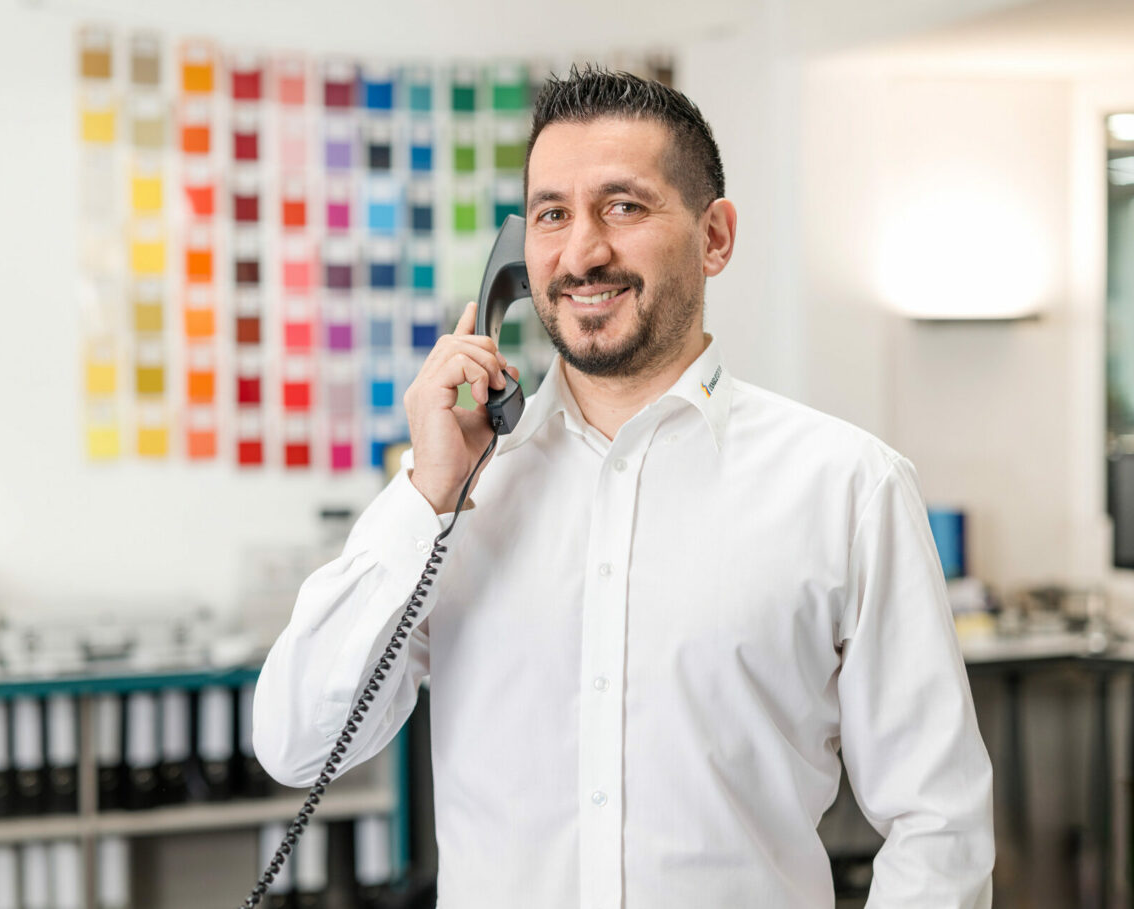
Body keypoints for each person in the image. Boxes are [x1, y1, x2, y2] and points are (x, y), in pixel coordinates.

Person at [254, 65, 994, 908]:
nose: (581, 252)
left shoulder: (848, 488)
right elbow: (294, 745)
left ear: (714, 236)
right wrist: (425, 495)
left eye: (624, 206)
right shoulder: (455, 494)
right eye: (551, 215)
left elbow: (940, 825)